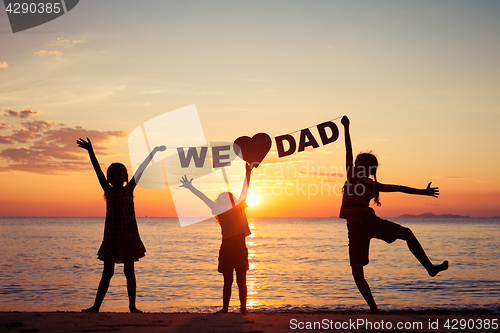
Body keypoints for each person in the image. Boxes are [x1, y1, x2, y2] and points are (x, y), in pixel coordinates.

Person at [339, 116, 448, 314]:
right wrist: (346, 128)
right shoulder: (351, 176)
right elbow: (348, 150)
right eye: (356, 163)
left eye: (360, 164)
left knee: (407, 233)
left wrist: (423, 192)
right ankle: (373, 309)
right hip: (355, 230)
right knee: (356, 271)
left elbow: (399, 188)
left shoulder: (372, 185)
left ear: (369, 169)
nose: (355, 165)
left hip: (368, 222)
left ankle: (430, 268)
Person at [77, 137, 165, 313]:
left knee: (129, 272)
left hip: (129, 238)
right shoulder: (108, 191)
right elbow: (97, 171)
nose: (116, 178)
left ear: (125, 177)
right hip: (111, 239)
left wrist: (153, 153)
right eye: (113, 175)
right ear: (109, 179)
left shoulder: (129, 190)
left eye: (119, 175)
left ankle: (132, 306)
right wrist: (90, 151)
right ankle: (96, 307)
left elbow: (141, 170)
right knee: (107, 273)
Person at [179, 163, 252, 314]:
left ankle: (239, 308)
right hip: (231, 250)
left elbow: (245, 189)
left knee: (236, 282)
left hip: (232, 249)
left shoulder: (236, 207)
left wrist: (248, 172)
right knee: (234, 282)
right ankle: (233, 308)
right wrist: (248, 172)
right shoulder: (224, 209)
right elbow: (204, 198)